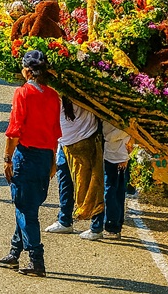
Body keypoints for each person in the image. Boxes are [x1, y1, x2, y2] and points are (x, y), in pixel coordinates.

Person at [0, 50, 62, 277]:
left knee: (26, 210)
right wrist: (53, 162)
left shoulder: (23, 93)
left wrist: (7, 158)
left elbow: (14, 130)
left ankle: (37, 261)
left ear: (26, 71)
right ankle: (14, 253)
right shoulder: (53, 96)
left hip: (26, 156)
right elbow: (55, 132)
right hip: (45, 158)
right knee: (28, 206)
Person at [45, 98, 105, 240]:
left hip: (85, 140)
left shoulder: (83, 91)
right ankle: (64, 220)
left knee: (92, 186)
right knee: (64, 182)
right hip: (64, 141)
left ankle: (96, 227)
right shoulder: (54, 93)